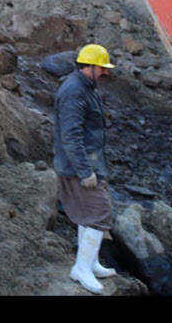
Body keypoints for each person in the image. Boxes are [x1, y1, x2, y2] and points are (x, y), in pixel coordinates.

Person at [53, 43, 117, 295]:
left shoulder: (86, 86)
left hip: (90, 162)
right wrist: (84, 172)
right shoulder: (74, 92)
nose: (106, 73)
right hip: (78, 167)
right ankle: (81, 268)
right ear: (88, 67)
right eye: (102, 68)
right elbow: (71, 136)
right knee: (100, 212)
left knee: (87, 213)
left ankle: (90, 262)